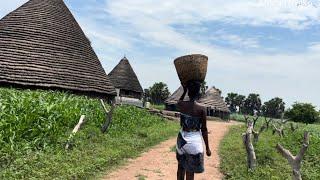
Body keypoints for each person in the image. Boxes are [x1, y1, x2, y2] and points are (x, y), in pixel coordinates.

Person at [176, 80, 211, 180]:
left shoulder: (182, 105)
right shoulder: (201, 109)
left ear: (189, 92)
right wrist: (207, 148)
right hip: (193, 143)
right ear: (198, 93)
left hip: (181, 140)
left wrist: (184, 91)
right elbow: (204, 129)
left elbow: (178, 102)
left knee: (180, 168)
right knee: (190, 172)